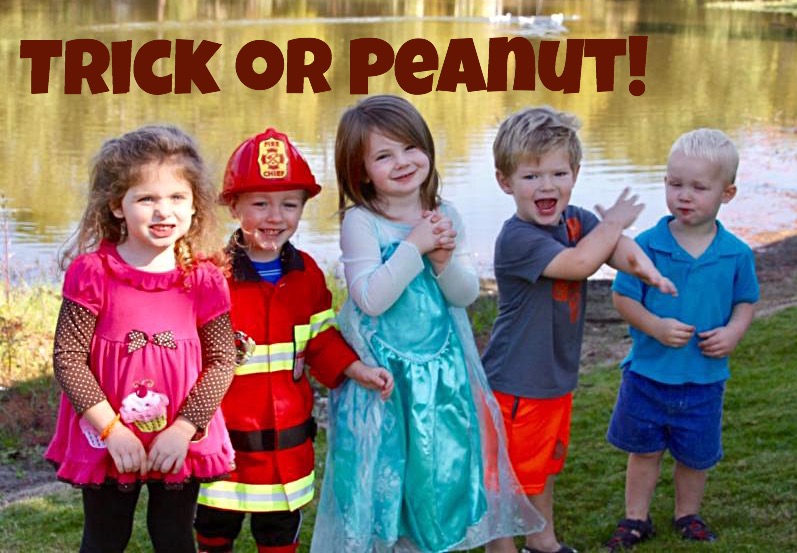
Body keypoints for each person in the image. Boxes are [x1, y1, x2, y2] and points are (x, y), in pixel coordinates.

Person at [310, 94, 544, 553]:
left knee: (435, 476)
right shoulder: (363, 222)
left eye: (409, 147)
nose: (402, 162)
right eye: (383, 156)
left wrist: (441, 262)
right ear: (361, 171)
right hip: (383, 380)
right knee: (385, 478)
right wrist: (414, 247)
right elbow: (370, 300)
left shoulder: (445, 214)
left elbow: (464, 295)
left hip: (439, 377)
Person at [481, 106, 678, 553]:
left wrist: (645, 269)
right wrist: (612, 224)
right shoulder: (517, 238)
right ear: (505, 182)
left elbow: (616, 250)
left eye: (558, 173)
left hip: (554, 379)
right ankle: (501, 548)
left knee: (543, 467)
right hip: (516, 383)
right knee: (506, 478)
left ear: (575, 174)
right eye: (531, 176)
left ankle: (542, 541)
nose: (546, 186)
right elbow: (581, 263)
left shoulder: (576, 221)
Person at [194, 127, 393, 553]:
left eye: (289, 204)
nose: (275, 217)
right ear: (234, 206)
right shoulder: (210, 276)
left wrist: (356, 369)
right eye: (260, 204)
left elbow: (320, 338)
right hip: (224, 444)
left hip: (286, 450)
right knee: (214, 529)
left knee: (279, 534)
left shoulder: (308, 274)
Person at [44, 125, 237, 552]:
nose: (163, 211)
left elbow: (223, 360)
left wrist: (183, 429)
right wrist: (112, 430)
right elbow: (68, 358)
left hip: (179, 435)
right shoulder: (92, 273)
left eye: (177, 197)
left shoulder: (205, 279)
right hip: (108, 434)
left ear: (195, 204)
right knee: (105, 537)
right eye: (147, 198)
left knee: (173, 535)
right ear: (118, 205)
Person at [604, 129, 759, 551]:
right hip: (648, 375)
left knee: (695, 456)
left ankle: (687, 515)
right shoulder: (646, 247)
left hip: (704, 378)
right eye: (675, 184)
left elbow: (745, 302)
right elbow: (622, 298)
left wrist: (733, 331)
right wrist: (654, 326)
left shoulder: (736, 253)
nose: (684, 195)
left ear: (727, 193)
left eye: (698, 187)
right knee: (644, 451)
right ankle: (636, 519)